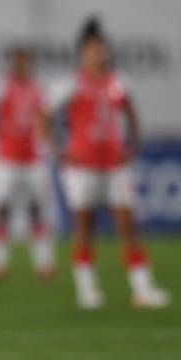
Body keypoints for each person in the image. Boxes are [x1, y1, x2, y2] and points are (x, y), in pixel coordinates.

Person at [47, 18, 169, 309]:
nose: (99, 54)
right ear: (82, 53)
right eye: (93, 49)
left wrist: (133, 145)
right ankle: (87, 291)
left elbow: (131, 112)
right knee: (84, 229)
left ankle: (142, 289)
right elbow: (44, 117)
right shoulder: (69, 84)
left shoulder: (118, 81)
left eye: (102, 49)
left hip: (115, 166)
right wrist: (58, 151)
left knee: (128, 226)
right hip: (82, 168)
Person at [0, 47, 55, 280]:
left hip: (32, 159)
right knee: (2, 209)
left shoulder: (38, 89)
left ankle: (43, 263)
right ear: (11, 63)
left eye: (24, 61)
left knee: (35, 209)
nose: (20, 66)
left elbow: (45, 120)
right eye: (17, 61)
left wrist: (44, 144)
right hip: (5, 158)